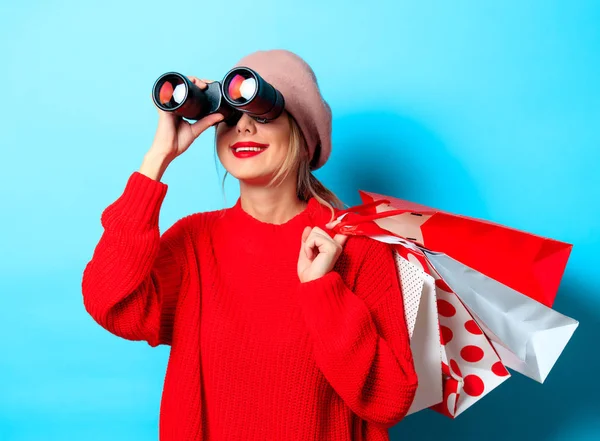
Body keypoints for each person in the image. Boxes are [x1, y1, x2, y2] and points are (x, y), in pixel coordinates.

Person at [81, 49, 418, 441]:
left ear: (302, 134)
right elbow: (110, 302)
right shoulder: (195, 241)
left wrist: (323, 292)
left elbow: (389, 400)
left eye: (262, 115)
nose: (243, 129)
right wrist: (157, 160)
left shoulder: (353, 243)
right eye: (229, 117)